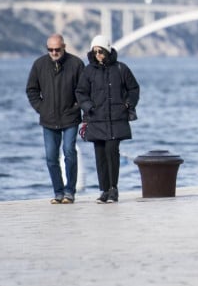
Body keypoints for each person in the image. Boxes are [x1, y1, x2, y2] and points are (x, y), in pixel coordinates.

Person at [76, 35, 140, 203]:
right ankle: (104, 190)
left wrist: (128, 104)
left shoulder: (121, 68)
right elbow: (80, 92)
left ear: (107, 50)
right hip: (96, 119)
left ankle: (113, 189)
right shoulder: (88, 71)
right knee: (100, 157)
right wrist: (88, 106)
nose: (98, 54)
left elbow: (133, 88)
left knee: (112, 153)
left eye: (101, 51)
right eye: (95, 51)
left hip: (116, 120)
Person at [26, 33, 85, 204]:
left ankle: (70, 192)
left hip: (70, 119)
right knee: (51, 157)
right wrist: (41, 108)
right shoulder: (39, 65)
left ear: (64, 47)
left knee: (69, 152)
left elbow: (84, 91)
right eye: (50, 49)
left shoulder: (76, 64)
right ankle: (58, 192)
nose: (53, 52)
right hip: (48, 120)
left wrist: (76, 108)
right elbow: (32, 90)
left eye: (57, 49)